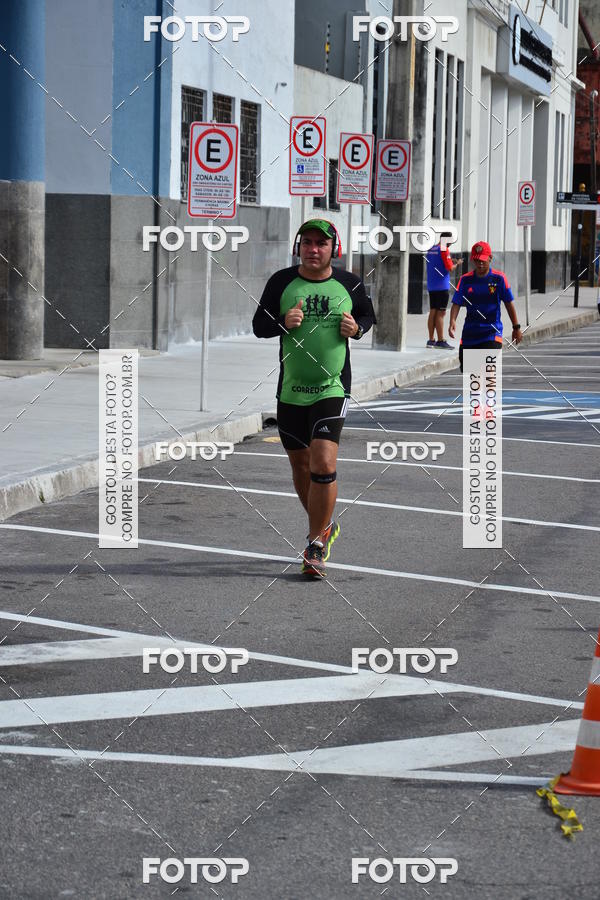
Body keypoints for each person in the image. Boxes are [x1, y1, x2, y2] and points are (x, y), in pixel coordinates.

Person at [252, 219, 376, 578]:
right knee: (301, 466)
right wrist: (282, 322)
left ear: (333, 249)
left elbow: (368, 315)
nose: (313, 249)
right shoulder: (281, 282)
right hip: (291, 390)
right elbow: (259, 326)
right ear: (298, 247)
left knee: (322, 462)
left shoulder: (350, 283)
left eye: (321, 243)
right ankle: (324, 525)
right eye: (306, 242)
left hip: (331, 388)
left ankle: (316, 543)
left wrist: (358, 329)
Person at [449, 240, 523, 371]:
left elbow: (508, 303)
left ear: (490, 258)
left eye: (483, 260)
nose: (480, 263)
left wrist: (516, 327)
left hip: (491, 333)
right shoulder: (465, 280)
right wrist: (452, 321)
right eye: (477, 260)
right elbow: (456, 303)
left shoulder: (499, 278)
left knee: (488, 373)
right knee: (472, 377)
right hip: (470, 334)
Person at [425, 237, 462, 348]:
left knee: (433, 311)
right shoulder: (444, 250)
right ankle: (441, 340)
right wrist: (457, 264)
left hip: (432, 285)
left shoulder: (431, 249)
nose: (450, 244)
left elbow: (438, 262)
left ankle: (431, 340)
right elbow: (450, 268)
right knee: (441, 313)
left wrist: (451, 260)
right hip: (442, 286)